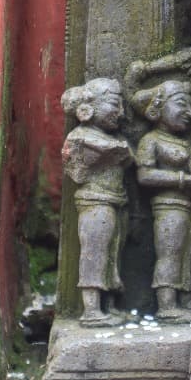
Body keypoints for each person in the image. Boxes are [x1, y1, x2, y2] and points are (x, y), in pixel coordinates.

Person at [131, 77, 191, 322]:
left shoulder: (187, 143)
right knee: (170, 253)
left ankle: (187, 298)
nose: (190, 112)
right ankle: (166, 305)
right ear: (158, 107)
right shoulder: (152, 140)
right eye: (181, 104)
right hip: (169, 206)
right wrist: (182, 179)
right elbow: (145, 175)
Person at [61, 78, 132, 327]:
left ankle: (108, 306)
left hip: (114, 201)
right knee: (95, 252)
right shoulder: (81, 137)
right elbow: (81, 166)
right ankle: (91, 310)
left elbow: (125, 154)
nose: (120, 113)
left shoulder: (106, 137)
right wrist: (116, 148)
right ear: (88, 109)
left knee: (112, 255)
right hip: (95, 203)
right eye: (114, 104)